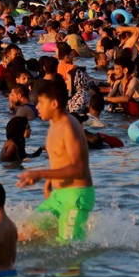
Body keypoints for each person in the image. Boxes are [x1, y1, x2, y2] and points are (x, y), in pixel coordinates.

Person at [16, 82, 95, 244]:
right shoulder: (54, 123)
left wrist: (40, 174)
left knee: (66, 250)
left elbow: (78, 169)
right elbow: (61, 159)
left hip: (75, 198)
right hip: (57, 197)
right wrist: (49, 184)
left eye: (41, 102)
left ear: (54, 104)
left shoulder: (68, 127)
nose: (37, 106)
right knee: (24, 236)